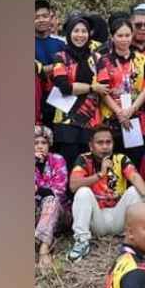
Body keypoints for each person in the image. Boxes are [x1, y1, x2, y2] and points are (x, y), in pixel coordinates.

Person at [67, 126, 145, 261]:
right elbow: (73, 186)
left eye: (108, 142)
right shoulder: (84, 159)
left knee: (135, 190)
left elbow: (134, 176)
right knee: (82, 192)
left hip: (118, 217)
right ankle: (82, 241)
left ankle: (134, 240)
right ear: (91, 146)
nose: (105, 147)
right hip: (96, 219)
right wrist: (100, 174)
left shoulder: (121, 159)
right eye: (100, 143)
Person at [50, 14, 104, 171]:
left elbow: (104, 85)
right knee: (68, 166)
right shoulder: (60, 57)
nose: (80, 35)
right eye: (76, 31)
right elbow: (64, 87)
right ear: (69, 33)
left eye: (84, 31)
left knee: (88, 167)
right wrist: (92, 88)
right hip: (66, 120)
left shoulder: (97, 57)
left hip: (91, 120)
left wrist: (80, 87)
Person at [95, 18, 145, 163]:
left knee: (135, 159)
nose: (124, 39)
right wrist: (120, 113)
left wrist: (132, 109)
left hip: (135, 116)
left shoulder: (141, 60)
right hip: (112, 117)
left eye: (127, 35)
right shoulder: (104, 60)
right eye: (120, 36)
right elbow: (103, 91)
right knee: (113, 160)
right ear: (112, 37)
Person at [34, 126, 70, 269]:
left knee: (51, 200)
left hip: (59, 213)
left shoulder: (57, 160)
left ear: (49, 144)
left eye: (43, 143)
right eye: (35, 143)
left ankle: (44, 248)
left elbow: (58, 191)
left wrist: (38, 190)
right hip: (37, 213)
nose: (40, 146)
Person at [35, 0, 66, 71]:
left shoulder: (62, 42)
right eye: (36, 17)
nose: (41, 20)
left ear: (50, 18)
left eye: (45, 16)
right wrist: (53, 67)